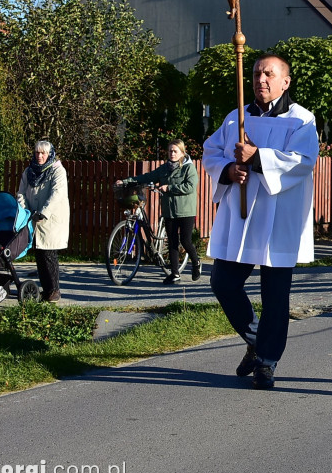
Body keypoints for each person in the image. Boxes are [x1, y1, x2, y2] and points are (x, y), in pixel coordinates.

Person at [202, 54, 318, 390]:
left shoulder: (301, 120)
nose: (260, 79)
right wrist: (227, 169)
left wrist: (257, 159)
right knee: (222, 282)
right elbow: (212, 151)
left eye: (269, 74)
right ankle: (255, 337)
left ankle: (266, 363)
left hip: (280, 219)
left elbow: (302, 161)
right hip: (243, 219)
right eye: (256, 73)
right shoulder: (235, 118)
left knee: (275, 296)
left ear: (286, 81)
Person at [116, 139, 201, 284]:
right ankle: (175, 274)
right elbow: (147, 177)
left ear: (182, 152)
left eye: (175, 151)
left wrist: (169, 188)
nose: (172, 154)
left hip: (185, 210)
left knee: (185, 240)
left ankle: (196, 262)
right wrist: (126, 181)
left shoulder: (189, 168)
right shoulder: (164, 168)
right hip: (169, 210)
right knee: (172, 241)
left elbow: (190, 187)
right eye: (170, 151)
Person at [17, 140, 70, 302]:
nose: (39, 156)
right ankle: (47, 290)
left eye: (43, 153)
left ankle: (54, 290)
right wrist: (24, 210)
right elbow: (21, 193)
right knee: (40, 254)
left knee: (49, 253)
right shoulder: (29, 171)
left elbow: (57, 194)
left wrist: (43, 212)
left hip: (50, 219)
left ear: (49, 154)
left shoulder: (57, 171)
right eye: (37, 153)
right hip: (33, 217)